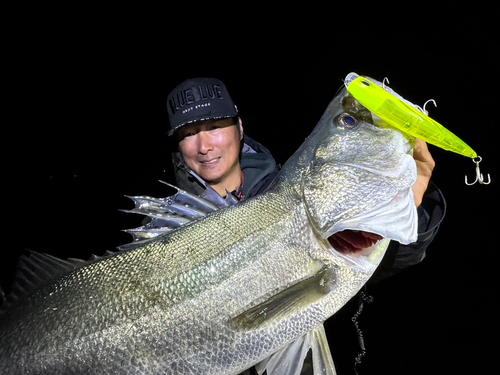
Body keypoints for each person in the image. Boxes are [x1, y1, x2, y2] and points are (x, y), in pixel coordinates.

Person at [165, 77, 445, 373]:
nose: (204, 146)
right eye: (189, 133)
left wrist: (411, 206)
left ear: (239, 127)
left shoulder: (292, 188)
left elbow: (391, 260)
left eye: (214, 127)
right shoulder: (167, 231)